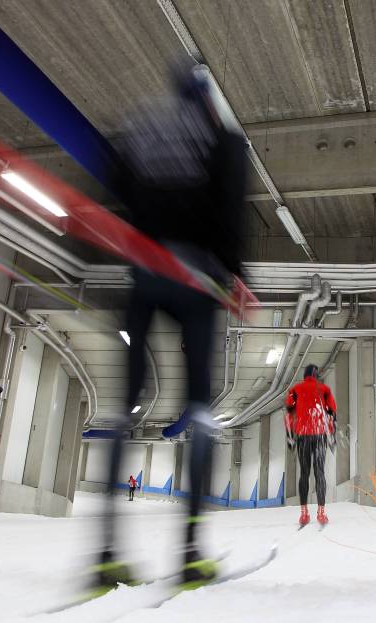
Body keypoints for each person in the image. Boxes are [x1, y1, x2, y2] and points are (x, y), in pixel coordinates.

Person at [93, 64, 248, 596]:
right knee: (201, 406)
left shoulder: (139, 127)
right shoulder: (219, 136)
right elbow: (231, 206)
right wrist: (235, 276)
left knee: (124, 404)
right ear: (207, 99)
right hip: (196, 279)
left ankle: (106, 554)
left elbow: (112, 181)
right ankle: (189, 553)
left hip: (142, 273)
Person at [285, 364, 337, 526]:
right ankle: (321, 513)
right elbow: (331, 413)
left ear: (305, 374)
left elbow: (288, 413)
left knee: (304, 473)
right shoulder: (324, 389)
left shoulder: (295, 390)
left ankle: (304, 514)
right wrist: (332, 436)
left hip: (302, 436)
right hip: (320, 435)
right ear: (316, 375)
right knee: (319, 473)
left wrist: (290, 437)